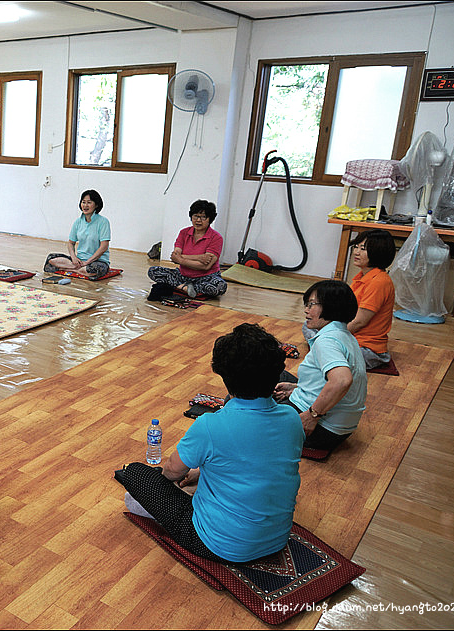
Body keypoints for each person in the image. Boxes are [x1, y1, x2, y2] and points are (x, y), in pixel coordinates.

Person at [121, 323, 304, 563]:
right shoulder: (292, 419)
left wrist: (179, 478)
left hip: (220, 546)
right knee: (207, 475)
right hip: (277, 538)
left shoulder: (210, 425)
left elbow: (170, 472)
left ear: (225, 376)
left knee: (134, 478)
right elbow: (260, 461)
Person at [276, 280, 367, 452]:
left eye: (312, 304)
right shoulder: (344, 335)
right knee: (279, 375)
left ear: (331, 306)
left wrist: (312, 415)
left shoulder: (326, 341)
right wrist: (297, 388)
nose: (306, 310)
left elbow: (342, 381)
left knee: (240, 408)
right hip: (340, 428)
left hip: (322, 430)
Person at [304, 229, 396, 369]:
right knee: (309, 325)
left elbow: (359, 322)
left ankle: (323, 348)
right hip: (351, 338)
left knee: (319, 338)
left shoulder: (379, 282)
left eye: (363, 249)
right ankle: (323, 346)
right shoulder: (361, 277)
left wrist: (331, 334)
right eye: (356, 247)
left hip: (367, 349)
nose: (356, 252)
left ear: (378, 251)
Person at [147, 200, 227, 299]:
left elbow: (205, 266)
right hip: (183, 276)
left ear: (210, 219)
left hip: (206, 277)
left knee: (220, 286)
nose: (198, 220)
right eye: (195, 216)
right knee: (153, 270)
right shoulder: (184, 233)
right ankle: (185, 288)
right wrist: (200, 257)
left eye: (203, 217)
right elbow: (175, 255)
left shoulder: (216, 238)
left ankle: (181, 287)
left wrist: (181, 259)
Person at [43, 189, 111, 279]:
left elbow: (104, 247)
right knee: (51, 258)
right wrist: (74, 258)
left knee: (95, 269)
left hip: (96, 261)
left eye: (89, 202)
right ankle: (78, 269)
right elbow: (71, 243)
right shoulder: (78, 222)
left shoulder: (103, 222)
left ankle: (70, 269)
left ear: (96, 205)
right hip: (79, 261)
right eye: (83, 202)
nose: (85, 205)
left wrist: (87, 262)